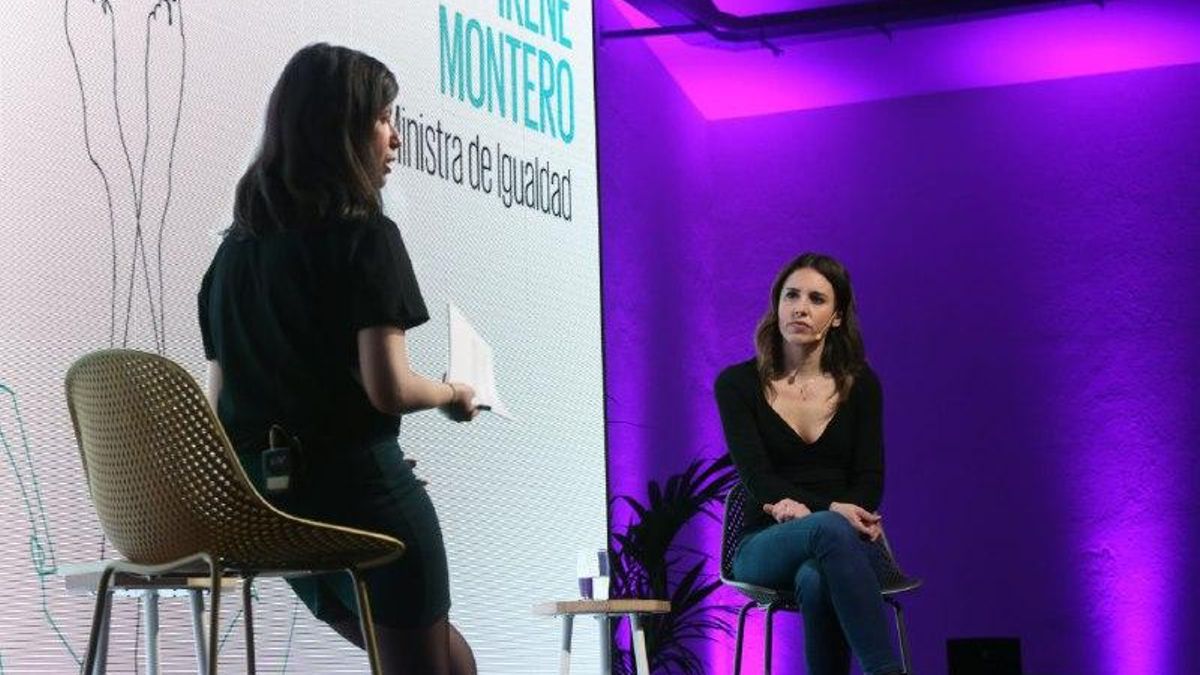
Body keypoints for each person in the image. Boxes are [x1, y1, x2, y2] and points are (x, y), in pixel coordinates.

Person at [198, 43, 478, 675]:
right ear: (341, 130)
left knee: (442, 661)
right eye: (383, 119)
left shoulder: (228, 261)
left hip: (276, 511)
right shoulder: (366, 237)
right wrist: (452, 393)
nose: (396, 139)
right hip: (362, 496)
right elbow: (388, 388)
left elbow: (220, 410)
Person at [714, 253, 904, 675]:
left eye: (816, 299)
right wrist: (830, 511)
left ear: (836, 317)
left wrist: (832, 515)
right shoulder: (737, 384)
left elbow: (869, 480)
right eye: (791, 296)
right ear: (777, 305)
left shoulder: (862, 384)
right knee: (828, 526)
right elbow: (758, 478)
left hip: (843, 544)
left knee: (816, 578)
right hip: (763, 541)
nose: (800, 308)